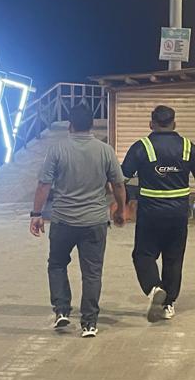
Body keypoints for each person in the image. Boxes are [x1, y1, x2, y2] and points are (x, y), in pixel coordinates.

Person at [29, 104, 126, 337]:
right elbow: (118, 184)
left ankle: (62, 310)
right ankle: (89, 323)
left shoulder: (57, 149)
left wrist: (36, 214)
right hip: (95, 221)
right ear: (91, 125)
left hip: (63, 221)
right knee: (92, 272)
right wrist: (121, 209)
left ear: (70, 125)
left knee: (57, 264)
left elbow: (44, 184)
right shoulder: (105, 150)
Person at [121, 105, 195, 322]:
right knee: (173, 259)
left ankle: (154, 288)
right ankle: (168, 304)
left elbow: (122, 178)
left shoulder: (142, 147)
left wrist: (124, 203)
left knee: (143, 255)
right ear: (174, 124)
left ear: (151, 124)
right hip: (178, 214)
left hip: (150, 214)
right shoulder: (187, 147)